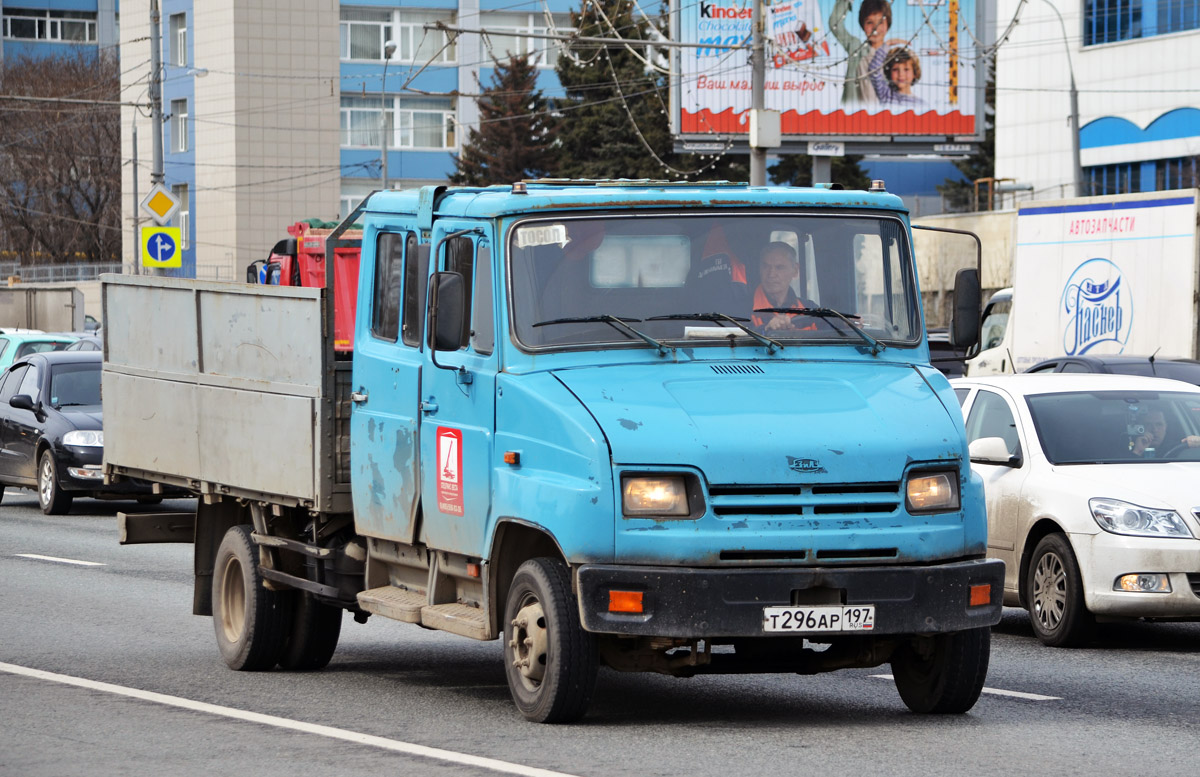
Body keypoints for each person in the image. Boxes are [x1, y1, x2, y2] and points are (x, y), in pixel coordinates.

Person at [828, 0, 905, 106]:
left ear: (888, 24)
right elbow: (834, 24)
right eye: (869, 22)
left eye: (880, 22)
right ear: (862, 25)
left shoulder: (894, 57)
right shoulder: (855, 47)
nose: (875, 28)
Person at [751, 242, 814, 331]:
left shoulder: (811, 310)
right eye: (766, 267)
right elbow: (732, 337)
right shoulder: (740, 308)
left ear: (795, 270)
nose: (771, 274)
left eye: (779, 267)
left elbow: (833, 337)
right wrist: (766, 330)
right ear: (759, 269)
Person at [1130, 409, 1200, 457]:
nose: (1154, 429)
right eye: (1148, 424)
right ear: (1140, 428)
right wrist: (1137, 452)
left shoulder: (1180, 448)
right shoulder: (1125, 449)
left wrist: (1196, 442)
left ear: (1166, 427)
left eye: (1159, 424)